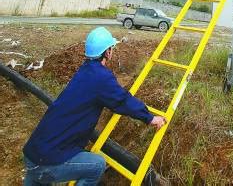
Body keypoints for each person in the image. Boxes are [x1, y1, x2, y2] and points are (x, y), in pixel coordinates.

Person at [23, 26, 166, 185]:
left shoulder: (85, 71)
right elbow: (122, 100)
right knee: (97, 165)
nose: (112, 51)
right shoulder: (101, 77)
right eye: (111, 48)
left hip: (32, 153)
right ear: (107, 52)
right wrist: (150, 118)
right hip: (45, 162)